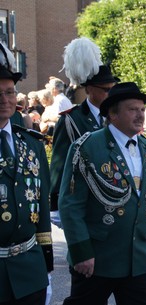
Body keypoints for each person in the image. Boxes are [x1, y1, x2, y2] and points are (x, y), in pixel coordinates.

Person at [59, 82, 146, 305]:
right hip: (98, 259)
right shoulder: (87, 147)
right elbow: (71, 204)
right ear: (113, 114)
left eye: (142, 109)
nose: (140, 115)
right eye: (132, 109)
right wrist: (81, 252)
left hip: (139, 260)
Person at [0, 41, 53, 305]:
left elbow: (41, 203)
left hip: (29, 266)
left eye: (9, 93)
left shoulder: (31, 143)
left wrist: (46, 257)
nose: (4, 100)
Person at [49, 37, 119, 227]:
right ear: (89, 89)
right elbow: (59, 164)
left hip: (115, 200)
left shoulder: (118, 117)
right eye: (105, 90)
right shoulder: (71, 120)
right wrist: (55, 205)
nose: (110, 94)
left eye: (113, 89)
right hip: (83, 202)